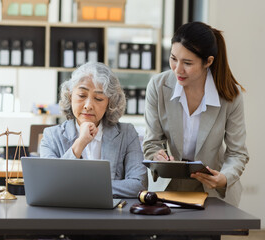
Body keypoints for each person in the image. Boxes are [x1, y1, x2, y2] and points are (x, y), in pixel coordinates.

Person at [143, 22, 249, 206]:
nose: (177, 69)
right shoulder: (158, 87)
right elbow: (152, 142)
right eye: (174, 58)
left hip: (212, 190)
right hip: (169, 188)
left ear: (208, 61)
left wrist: (224, 177)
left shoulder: (230, 95)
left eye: (187, 63)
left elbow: (237, 153)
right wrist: (157, 155)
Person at [40, 62, 147, 198]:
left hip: (112, 216)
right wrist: (81, 142)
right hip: (66, 215)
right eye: (82, 95)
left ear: (110, 103)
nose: (88, 105)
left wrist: (82, 187)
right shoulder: (51, 136)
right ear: (70, 96)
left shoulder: (127, 133)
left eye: (98, 98)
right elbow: (47, 184)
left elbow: (138, 185)